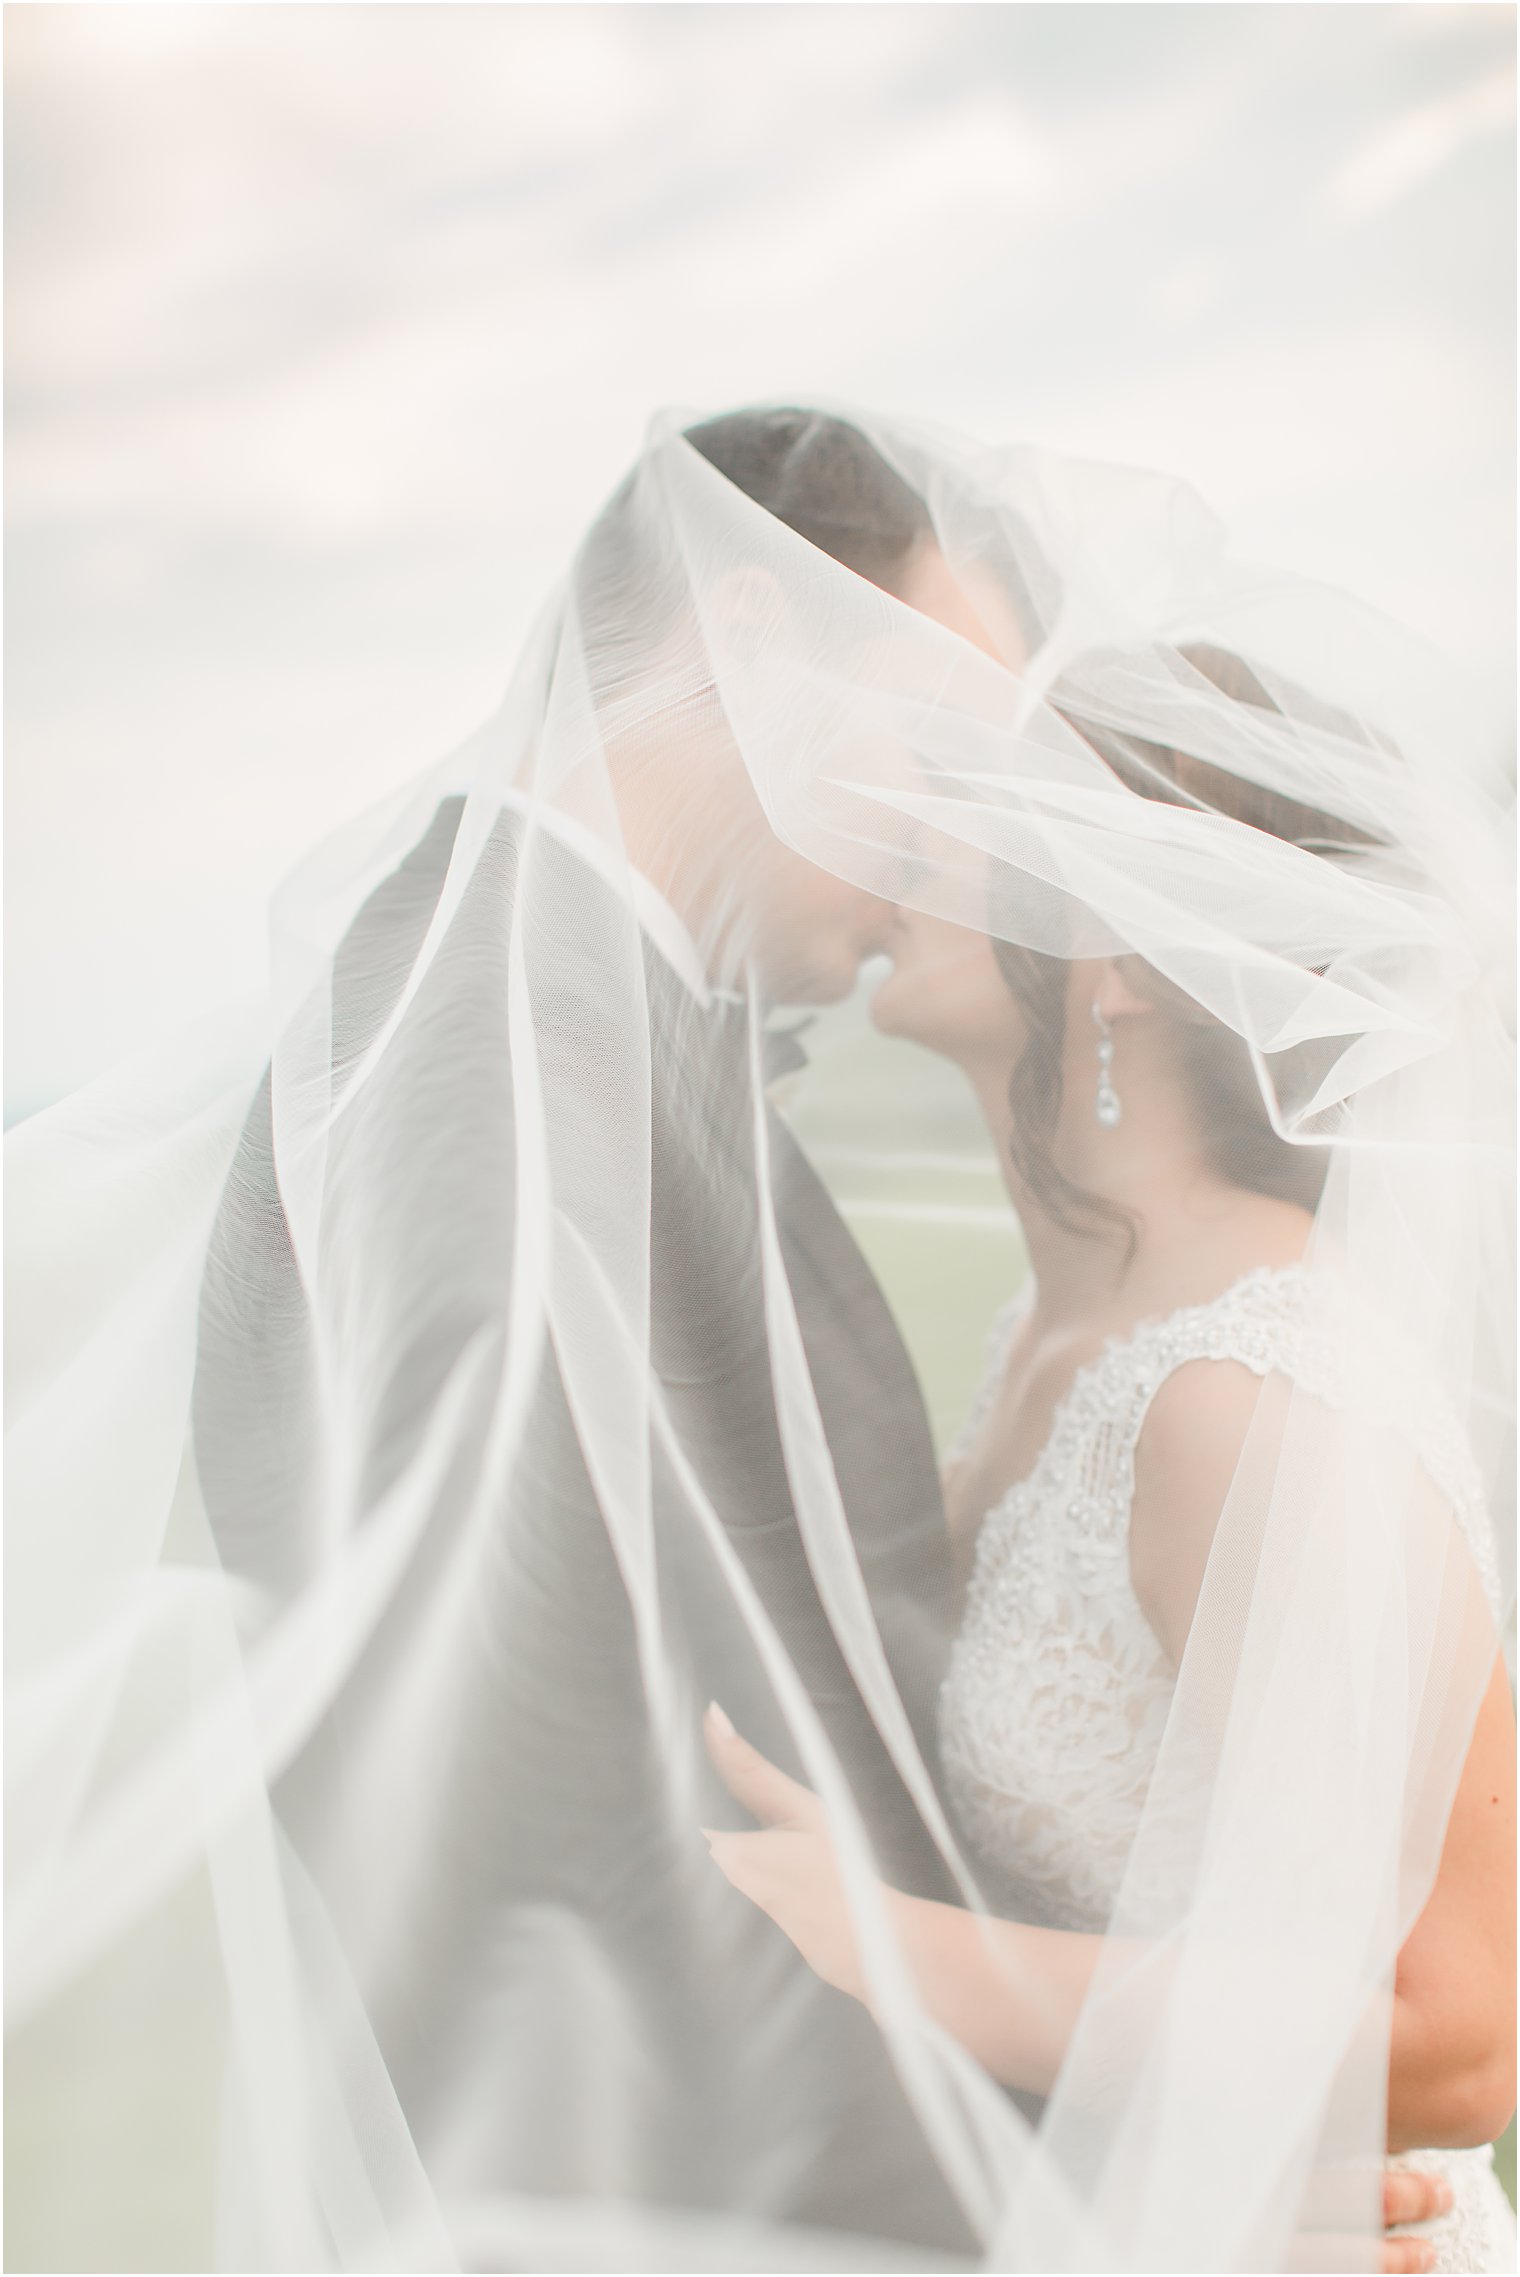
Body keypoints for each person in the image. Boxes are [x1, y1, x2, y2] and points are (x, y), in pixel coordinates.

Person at [7, 407, 1507, 2274]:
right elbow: (583, 1881)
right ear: (761, 631)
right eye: (942, 745)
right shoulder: (482, 1084)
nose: (966, 839)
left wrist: (1192, 2156)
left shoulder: (599, 1043)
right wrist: (1144, 2201)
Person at [704, 645, 1515, 2273]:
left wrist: (882, 1942)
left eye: (1009, 825)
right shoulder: (1057, 1330)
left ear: (1127, 960)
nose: (925, 841)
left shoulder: (1254, 1393)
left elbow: (1463, 2035)